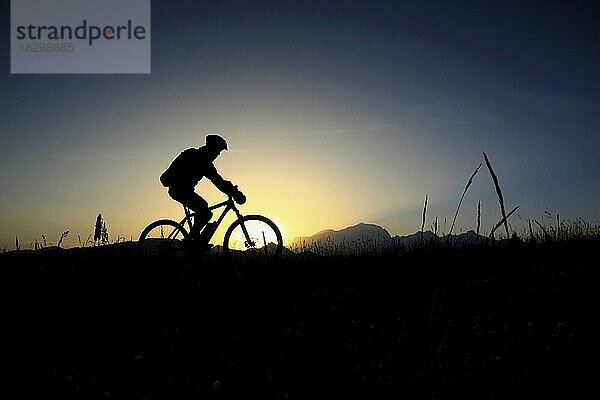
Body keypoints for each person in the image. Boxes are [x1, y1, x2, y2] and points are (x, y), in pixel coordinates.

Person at [160, 134, 246, 243]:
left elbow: (218, 180)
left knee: (203, 210)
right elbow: (218, 181)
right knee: (205, 212)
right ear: (212, 148)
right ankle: (192, 241)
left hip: (182, 190)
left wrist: (232, 190)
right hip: (179, 191)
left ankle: (194, 239)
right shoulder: (201, 159)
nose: (218, 154)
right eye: (218, 151)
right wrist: (234, 192)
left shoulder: (199, 157)